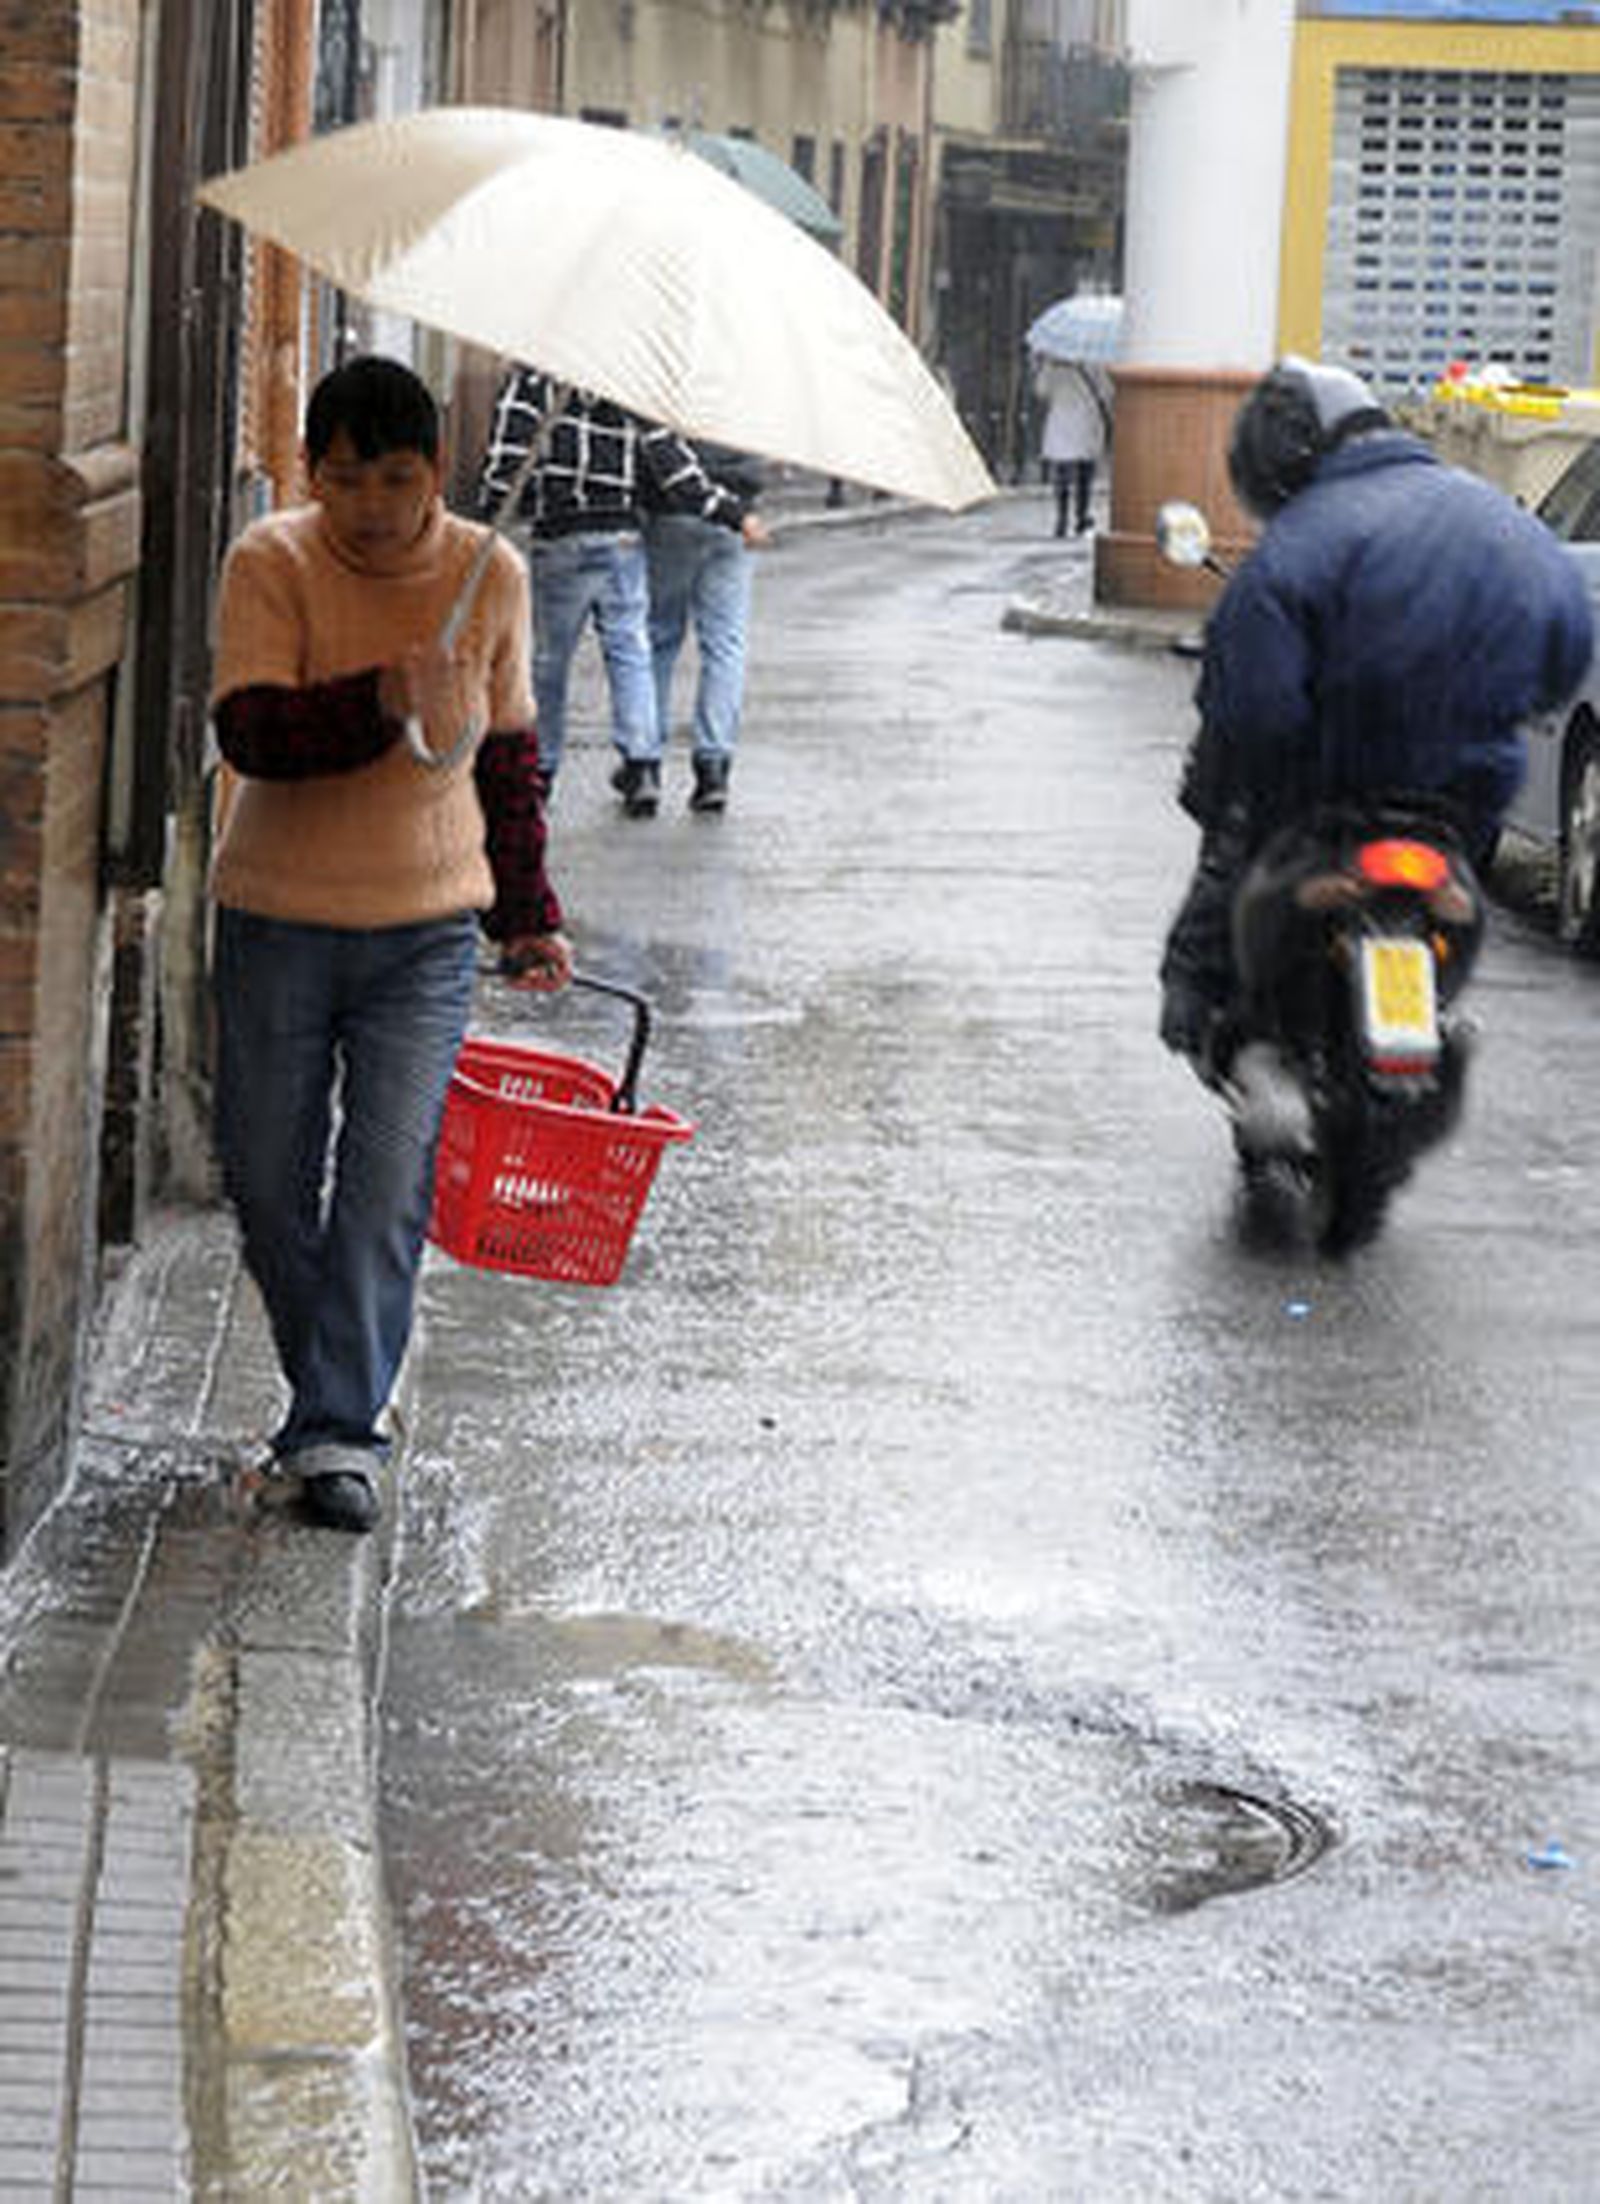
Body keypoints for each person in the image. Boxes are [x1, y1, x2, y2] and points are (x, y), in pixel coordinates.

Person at [209, 355, 572, 1534]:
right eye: (347, 476)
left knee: (383, 1188)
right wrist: (380, 696)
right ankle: (336, 1396)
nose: (372, 503)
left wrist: (527, 915)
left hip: (423, 933)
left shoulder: (490, 571)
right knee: (268, 1184)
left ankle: (339, 1430)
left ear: (438, 475)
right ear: (312, 471)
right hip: (277, 919)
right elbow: (251, 732)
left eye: (398, 478)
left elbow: (511, 757)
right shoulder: (273, 557)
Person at [1158, 355, 1593, 1085]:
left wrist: (1220, 794)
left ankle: (1202, 1014)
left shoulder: (1292, 550)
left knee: (1227, 860)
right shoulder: (1500, 523)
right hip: (1461, 811)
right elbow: (1565, 653)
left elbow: (1253, 717)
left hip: (1324, 804)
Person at [475, 369, 764, 816]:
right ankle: (644, 764)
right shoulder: (629, 381)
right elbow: (672, 464)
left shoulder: (534, 381)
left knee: (551, 661)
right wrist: (730, 512)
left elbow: (506, 460)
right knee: (631, 648)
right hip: (623, 538)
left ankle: (542, 768)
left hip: (561, 534)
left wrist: (493, 515)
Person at [644, 440, 770, 813]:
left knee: (658, 640)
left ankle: (645, 759)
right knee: (724, 644)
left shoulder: (673, 383)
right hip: (735, 513)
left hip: (672, 511)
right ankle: (713, 767)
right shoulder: (751, 389)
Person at [1034, 354, 1111, 537]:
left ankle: (1062, 517)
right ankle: (1081, 516)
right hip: (1086, 419)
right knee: (1084, 472)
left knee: (1062, 472)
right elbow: (1106, 390)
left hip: (1061, 420)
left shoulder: (1053, 362)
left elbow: (1041, 390)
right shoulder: (1094, 361)